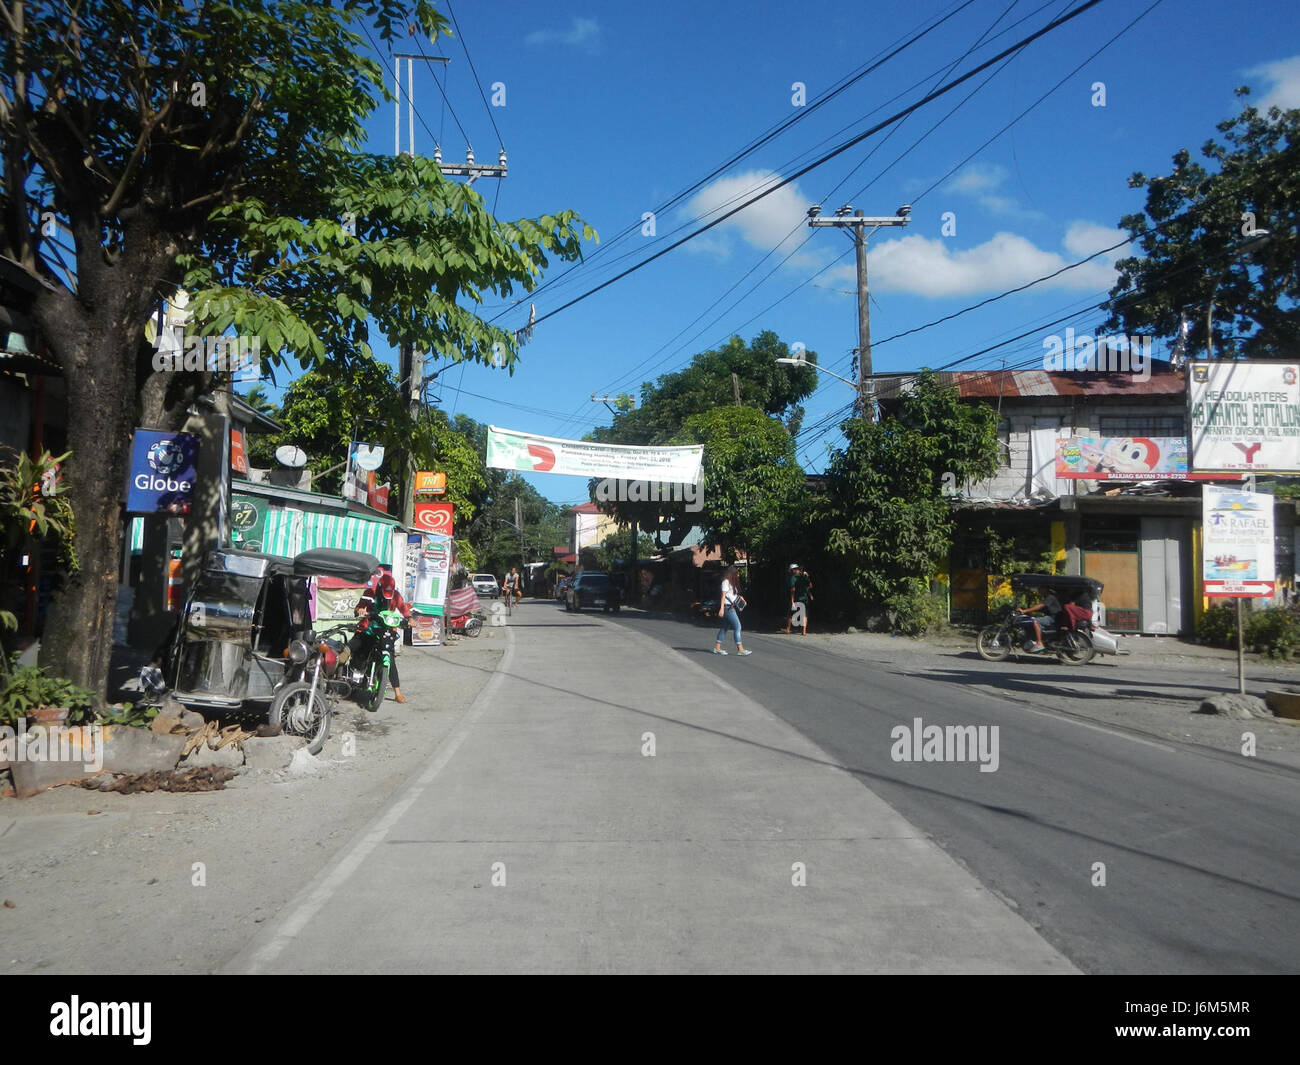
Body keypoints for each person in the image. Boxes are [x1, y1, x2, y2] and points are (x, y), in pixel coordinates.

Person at [345, 571, 412, 705]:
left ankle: (397, 693)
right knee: (350, 648)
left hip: (386, 631)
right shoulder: (370, 594)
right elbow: (358, 608)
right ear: (380, 588)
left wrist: (410, 619)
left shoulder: (396, 596)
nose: (387, 598)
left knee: (390, 658)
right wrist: (360, 611)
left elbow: (404, 610)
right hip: (368, 629)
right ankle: (337, 677)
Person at [712, 565, 752, 656]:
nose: (737, 575)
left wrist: (742, 600)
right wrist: (721, 609)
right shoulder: (725, 582)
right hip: (727, 607)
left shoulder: (732, 583)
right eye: (736, 573)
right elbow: (723, 595)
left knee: (725, 627)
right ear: (732, 574)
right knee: (738, 627)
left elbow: (735, 595)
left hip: (732, 607)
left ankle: (717, 647)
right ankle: (740, 649)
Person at [1021, 585, 1063, 652]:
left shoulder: (1050, 597)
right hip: (1053, 617)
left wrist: (1025, 611)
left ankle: (1039, 643)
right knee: (1034, 619)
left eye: (1040, 588)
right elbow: (1041, 608)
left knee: (1035, 621)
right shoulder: (1048, 597)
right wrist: (1030, 611)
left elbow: (1040, 606)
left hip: (1053, 618)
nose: (1038, 591)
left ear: (1045, 589)